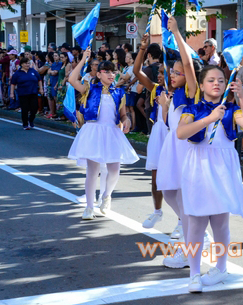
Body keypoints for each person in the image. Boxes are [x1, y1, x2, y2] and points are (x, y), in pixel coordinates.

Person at [176, 65, 243, 292]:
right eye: (211, 80)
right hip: (198, 168)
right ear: (201, 85)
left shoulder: (231, 109)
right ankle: (193, 274)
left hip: (222, 168)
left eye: (220, 80)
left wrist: (242, 97)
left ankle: (221, 268)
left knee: (221, 223)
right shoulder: (192, 108)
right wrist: (209, 118)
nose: (216, 84)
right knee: (196, 224)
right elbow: (181, 133)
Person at [67, 50, 139, 220]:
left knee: (114, 169)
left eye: (113, 71)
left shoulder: (119, 92)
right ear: (98, 74)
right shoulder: (89, 88)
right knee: (93, 170)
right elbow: (71, 79)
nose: (111, 74)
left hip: (112, 132)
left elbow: (122, 114)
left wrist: (126, 120)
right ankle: (89, 208)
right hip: (93, 131)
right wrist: (84, 58)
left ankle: (106, 195)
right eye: (106, 71)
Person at [155, 16, 202, 257]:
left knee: (185, 194)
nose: (172, 75)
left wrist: (176, 33)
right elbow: (167, 124)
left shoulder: (192, 92)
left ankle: (191, 238)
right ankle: (186, 225)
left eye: (177, 72)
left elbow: (187, 62)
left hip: (187, 150)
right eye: (171, 72)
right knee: (168, 191)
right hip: (171, 148)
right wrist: (164, 106)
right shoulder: (172, 95)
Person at [133, 35, 170, 229]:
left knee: (177, 181)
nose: (160, 75)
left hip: (173, 135)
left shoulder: (183, 93)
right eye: (159, 72)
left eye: (164, 72)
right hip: (158, 133)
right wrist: (142, 49)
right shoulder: (156, 89)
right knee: (155, 178)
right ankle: (157, 211)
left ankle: (183, 221)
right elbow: (136, 71)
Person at [10, 57, 43, 129]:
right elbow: (13, 83)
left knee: (34, 108)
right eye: (25, 63)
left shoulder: (33, 71)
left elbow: (39, 79)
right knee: (25, 109)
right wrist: (12, 93)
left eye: (28, 63)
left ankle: (31, 120)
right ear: (21, 64)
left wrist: (41, 88)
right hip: (23, 93)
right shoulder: (17, 73)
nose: (27, 65)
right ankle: (25, 124)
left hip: (33, 92)